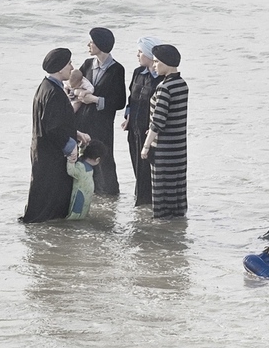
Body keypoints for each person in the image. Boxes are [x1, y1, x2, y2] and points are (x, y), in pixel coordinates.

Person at [22, 48, 90, 224]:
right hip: (52, 153)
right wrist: (70, 147)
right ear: (60, 68)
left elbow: (54, 122)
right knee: (49, 197)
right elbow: (53, 127)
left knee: (43, 192)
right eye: (69, 63)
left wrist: (75, 133)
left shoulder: (46, 87)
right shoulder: (54, 92)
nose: (71, 67)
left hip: (43, 149)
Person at [75, 27, 126, 195]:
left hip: (102, 124)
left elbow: (119, 101)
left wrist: (95, 100)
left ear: (100, 44)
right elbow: (72, 86)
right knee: (84, 159)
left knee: (105, 160)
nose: (88, 44)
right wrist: (79, 94)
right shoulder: (87, 64)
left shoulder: (117, 69)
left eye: (91, 41)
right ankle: (90, 195)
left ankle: (110, 198)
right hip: (83, 122)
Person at [140, 44, 189, 218]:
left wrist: (146, 146)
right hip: (179, 148)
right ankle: (177, 226)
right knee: (177, 189)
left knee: (161, 192)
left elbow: (158, 122)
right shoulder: (182, 84)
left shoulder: (164, 88)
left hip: (163, 149)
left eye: (156, 62)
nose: (154, 65)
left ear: (166, 63)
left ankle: (162, 230)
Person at [121, 36, 164, 206]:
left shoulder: (160, 78)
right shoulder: (138, 73)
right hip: (134, 129)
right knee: (137, 167)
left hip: (150, 131)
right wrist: (127, 117)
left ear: (148, 54)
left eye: (140, 52)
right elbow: (131, 99)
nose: (137, 55)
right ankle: (140, 204)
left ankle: (149, 203)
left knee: (148, 169)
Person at [65, 139, 107, 220]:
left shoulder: (82, 162)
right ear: (97, 159)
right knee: (76, 215)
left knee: (82, 213)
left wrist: (81, 147)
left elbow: (81, 154)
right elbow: (71, 171)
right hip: (80, 195)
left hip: (85, 194)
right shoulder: (81, 167)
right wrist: (70, 161)